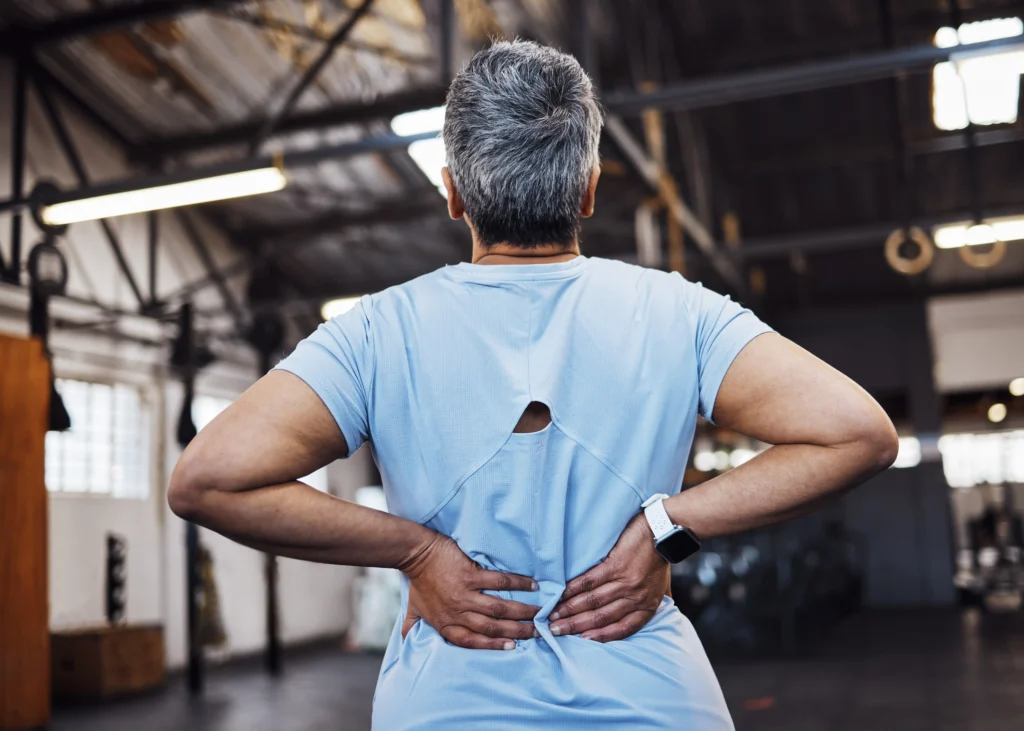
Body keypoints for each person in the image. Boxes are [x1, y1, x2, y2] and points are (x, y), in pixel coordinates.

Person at [169, 40, 898, 730]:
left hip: (450, 699)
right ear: (588, 188)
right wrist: (667, 526)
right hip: (651, 694)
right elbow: (859, 433)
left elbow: (206, 481)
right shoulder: (679, 313)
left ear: (453, 194)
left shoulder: (379, 331)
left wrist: (415, 552)